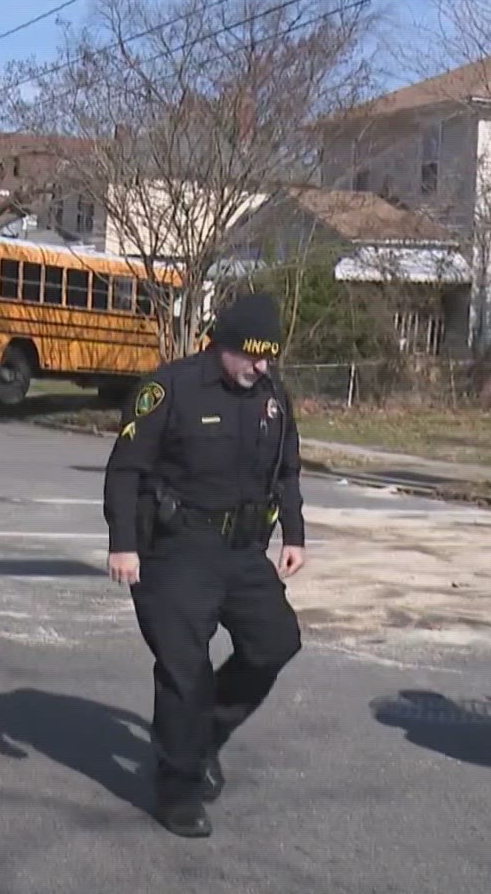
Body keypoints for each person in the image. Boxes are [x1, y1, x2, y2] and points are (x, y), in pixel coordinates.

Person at [102, 292, 307, 838]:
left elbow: (287, 470)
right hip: (175, 550)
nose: (262, 368)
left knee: (276, 643)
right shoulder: (168, 388)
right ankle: (178, 786)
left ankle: (204, 732)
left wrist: (295, 533)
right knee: (184, 671)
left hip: (242, 550)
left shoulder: (272, 395)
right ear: (223, 345)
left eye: (269, 358)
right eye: (252, 356)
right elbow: (125, 470)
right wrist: (123, 543)